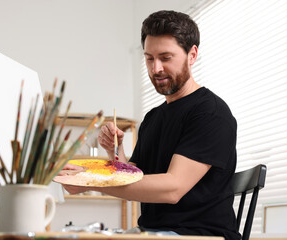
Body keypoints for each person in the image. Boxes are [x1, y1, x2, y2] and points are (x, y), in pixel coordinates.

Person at [62, 10, 241, 240]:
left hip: (198, 235)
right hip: (152, 232)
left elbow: (172, 188)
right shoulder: (153, 117)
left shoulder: (211, 113)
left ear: (192, 55)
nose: (155, 69)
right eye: (149, 58)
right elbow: (134, 177)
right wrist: (115, 151)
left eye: (166, 58)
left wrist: (90, 182)